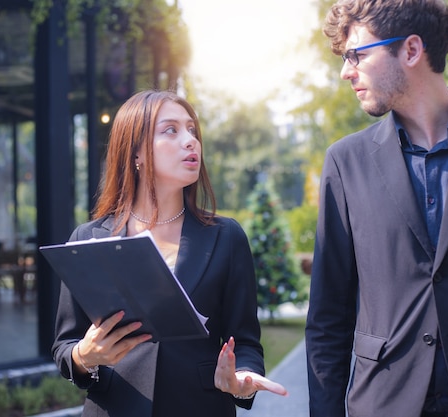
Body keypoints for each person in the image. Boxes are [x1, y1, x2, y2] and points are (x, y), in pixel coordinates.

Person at [305, 1, 448, 417]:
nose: (347, 71)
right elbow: (328, 318)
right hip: (383, 402)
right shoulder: (346, 162)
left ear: (411, 50)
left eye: (357, 54)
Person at [52, 90, 287, 417]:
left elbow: (245, 340)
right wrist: (84, 356)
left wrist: (243, 375)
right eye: (171, 130)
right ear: (137, 152)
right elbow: (65, 346)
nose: (190, 141)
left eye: (192, 130)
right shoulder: (89, 239)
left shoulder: (226, 237)